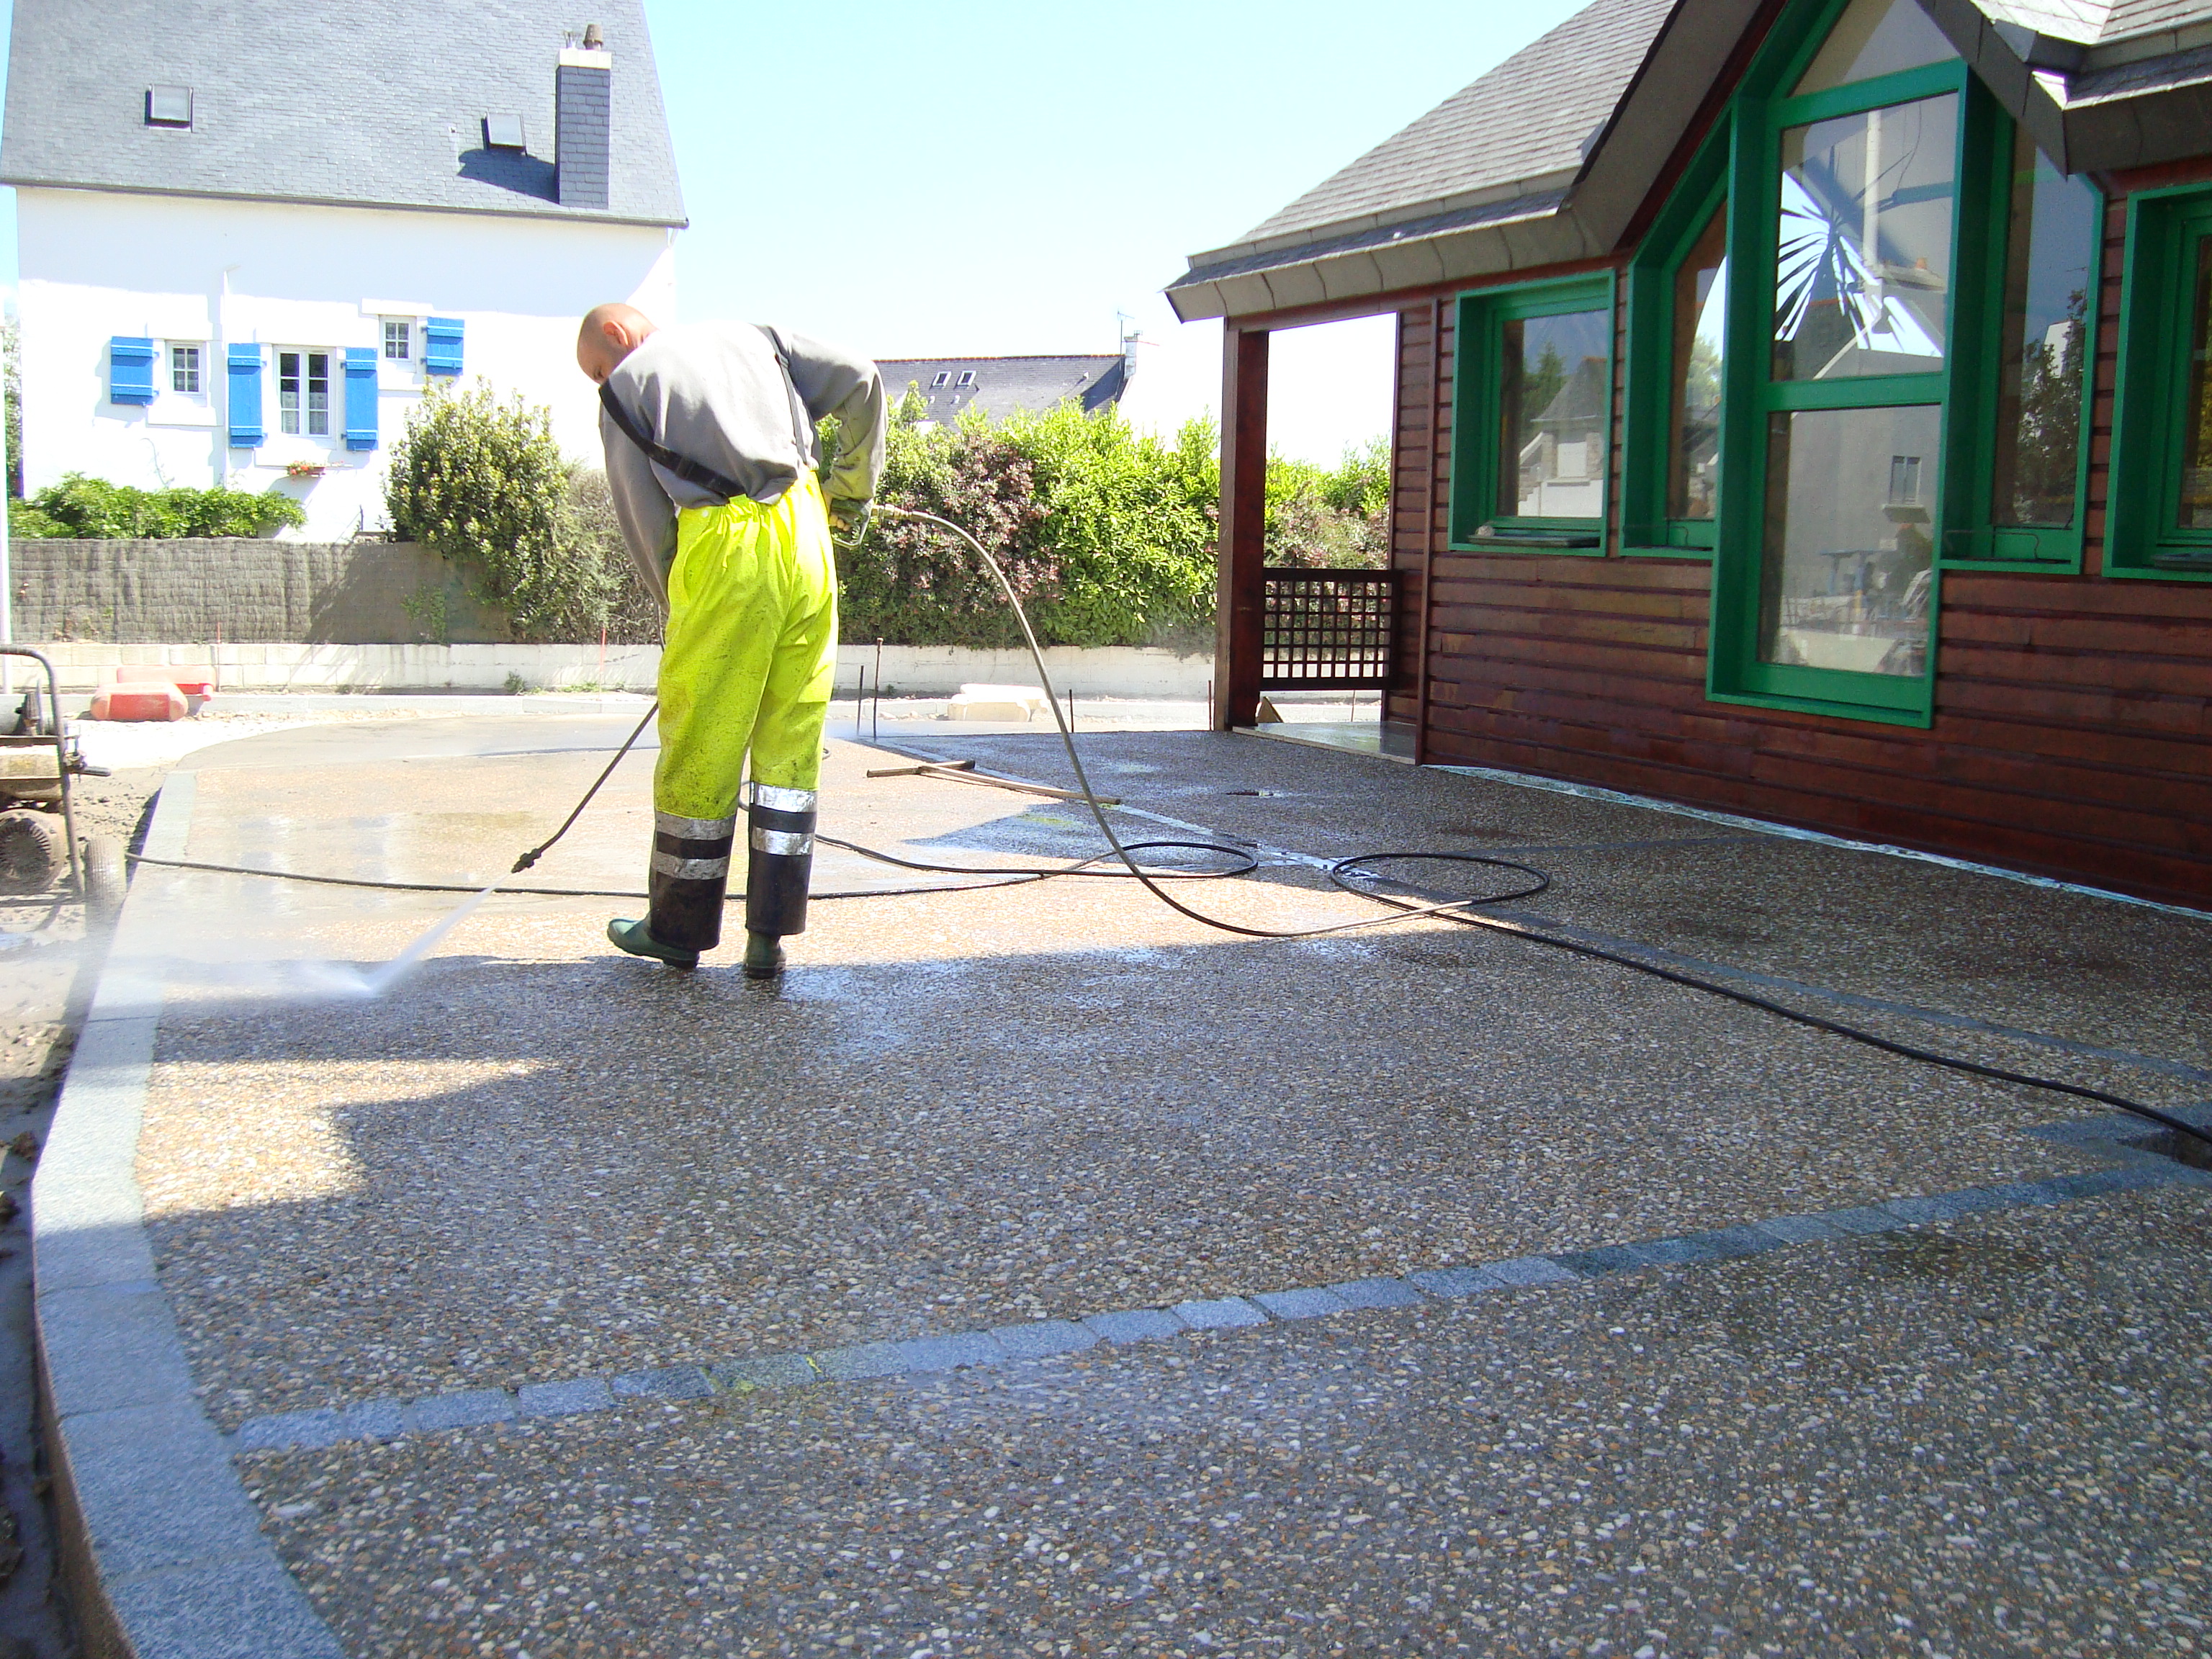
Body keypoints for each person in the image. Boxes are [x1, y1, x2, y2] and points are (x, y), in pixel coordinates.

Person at [577, 303, 886, 978]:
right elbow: (863, 378)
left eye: (596, 367)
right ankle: (768, 939)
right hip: (807, 537)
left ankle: (678, 931)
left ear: (617, 335)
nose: (602, 380)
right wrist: (849, 494)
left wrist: (680, 613)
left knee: (703, 743)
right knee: (790, 739)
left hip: (724, 552)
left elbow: (646, 524)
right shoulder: (762, 338)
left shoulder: (627, 388)